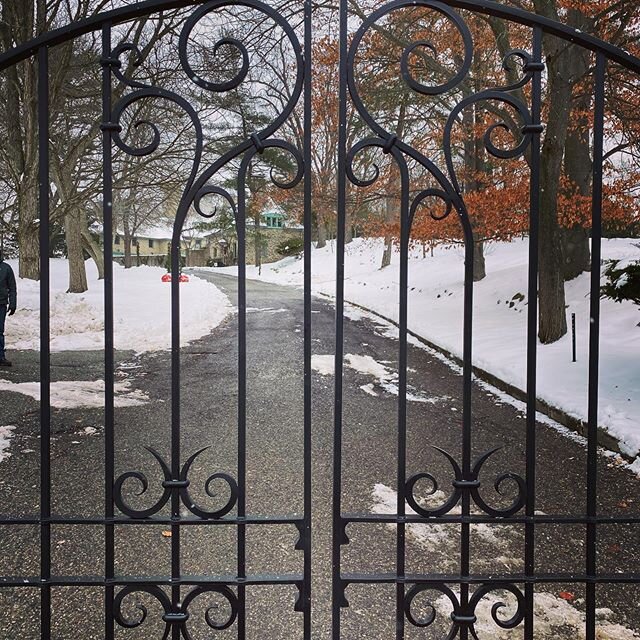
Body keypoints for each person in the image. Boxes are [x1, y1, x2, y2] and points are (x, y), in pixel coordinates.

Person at [0, 249, 17, 367]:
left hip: (1, 304)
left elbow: (12, 287)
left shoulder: (6, 268)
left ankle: (1, 356)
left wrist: (13, 303)